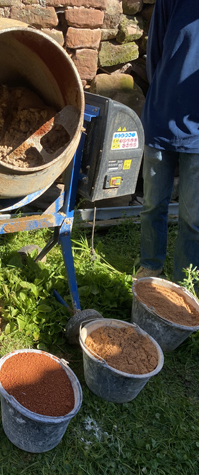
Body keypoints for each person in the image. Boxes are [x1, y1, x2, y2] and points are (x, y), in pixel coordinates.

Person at [136, 0, 199, 284]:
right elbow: (155, 55)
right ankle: (150, 267)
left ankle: (183, 285)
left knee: (193, 219)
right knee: (152, 205)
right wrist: (164, 94)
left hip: (198, 135)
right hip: (161, 119)